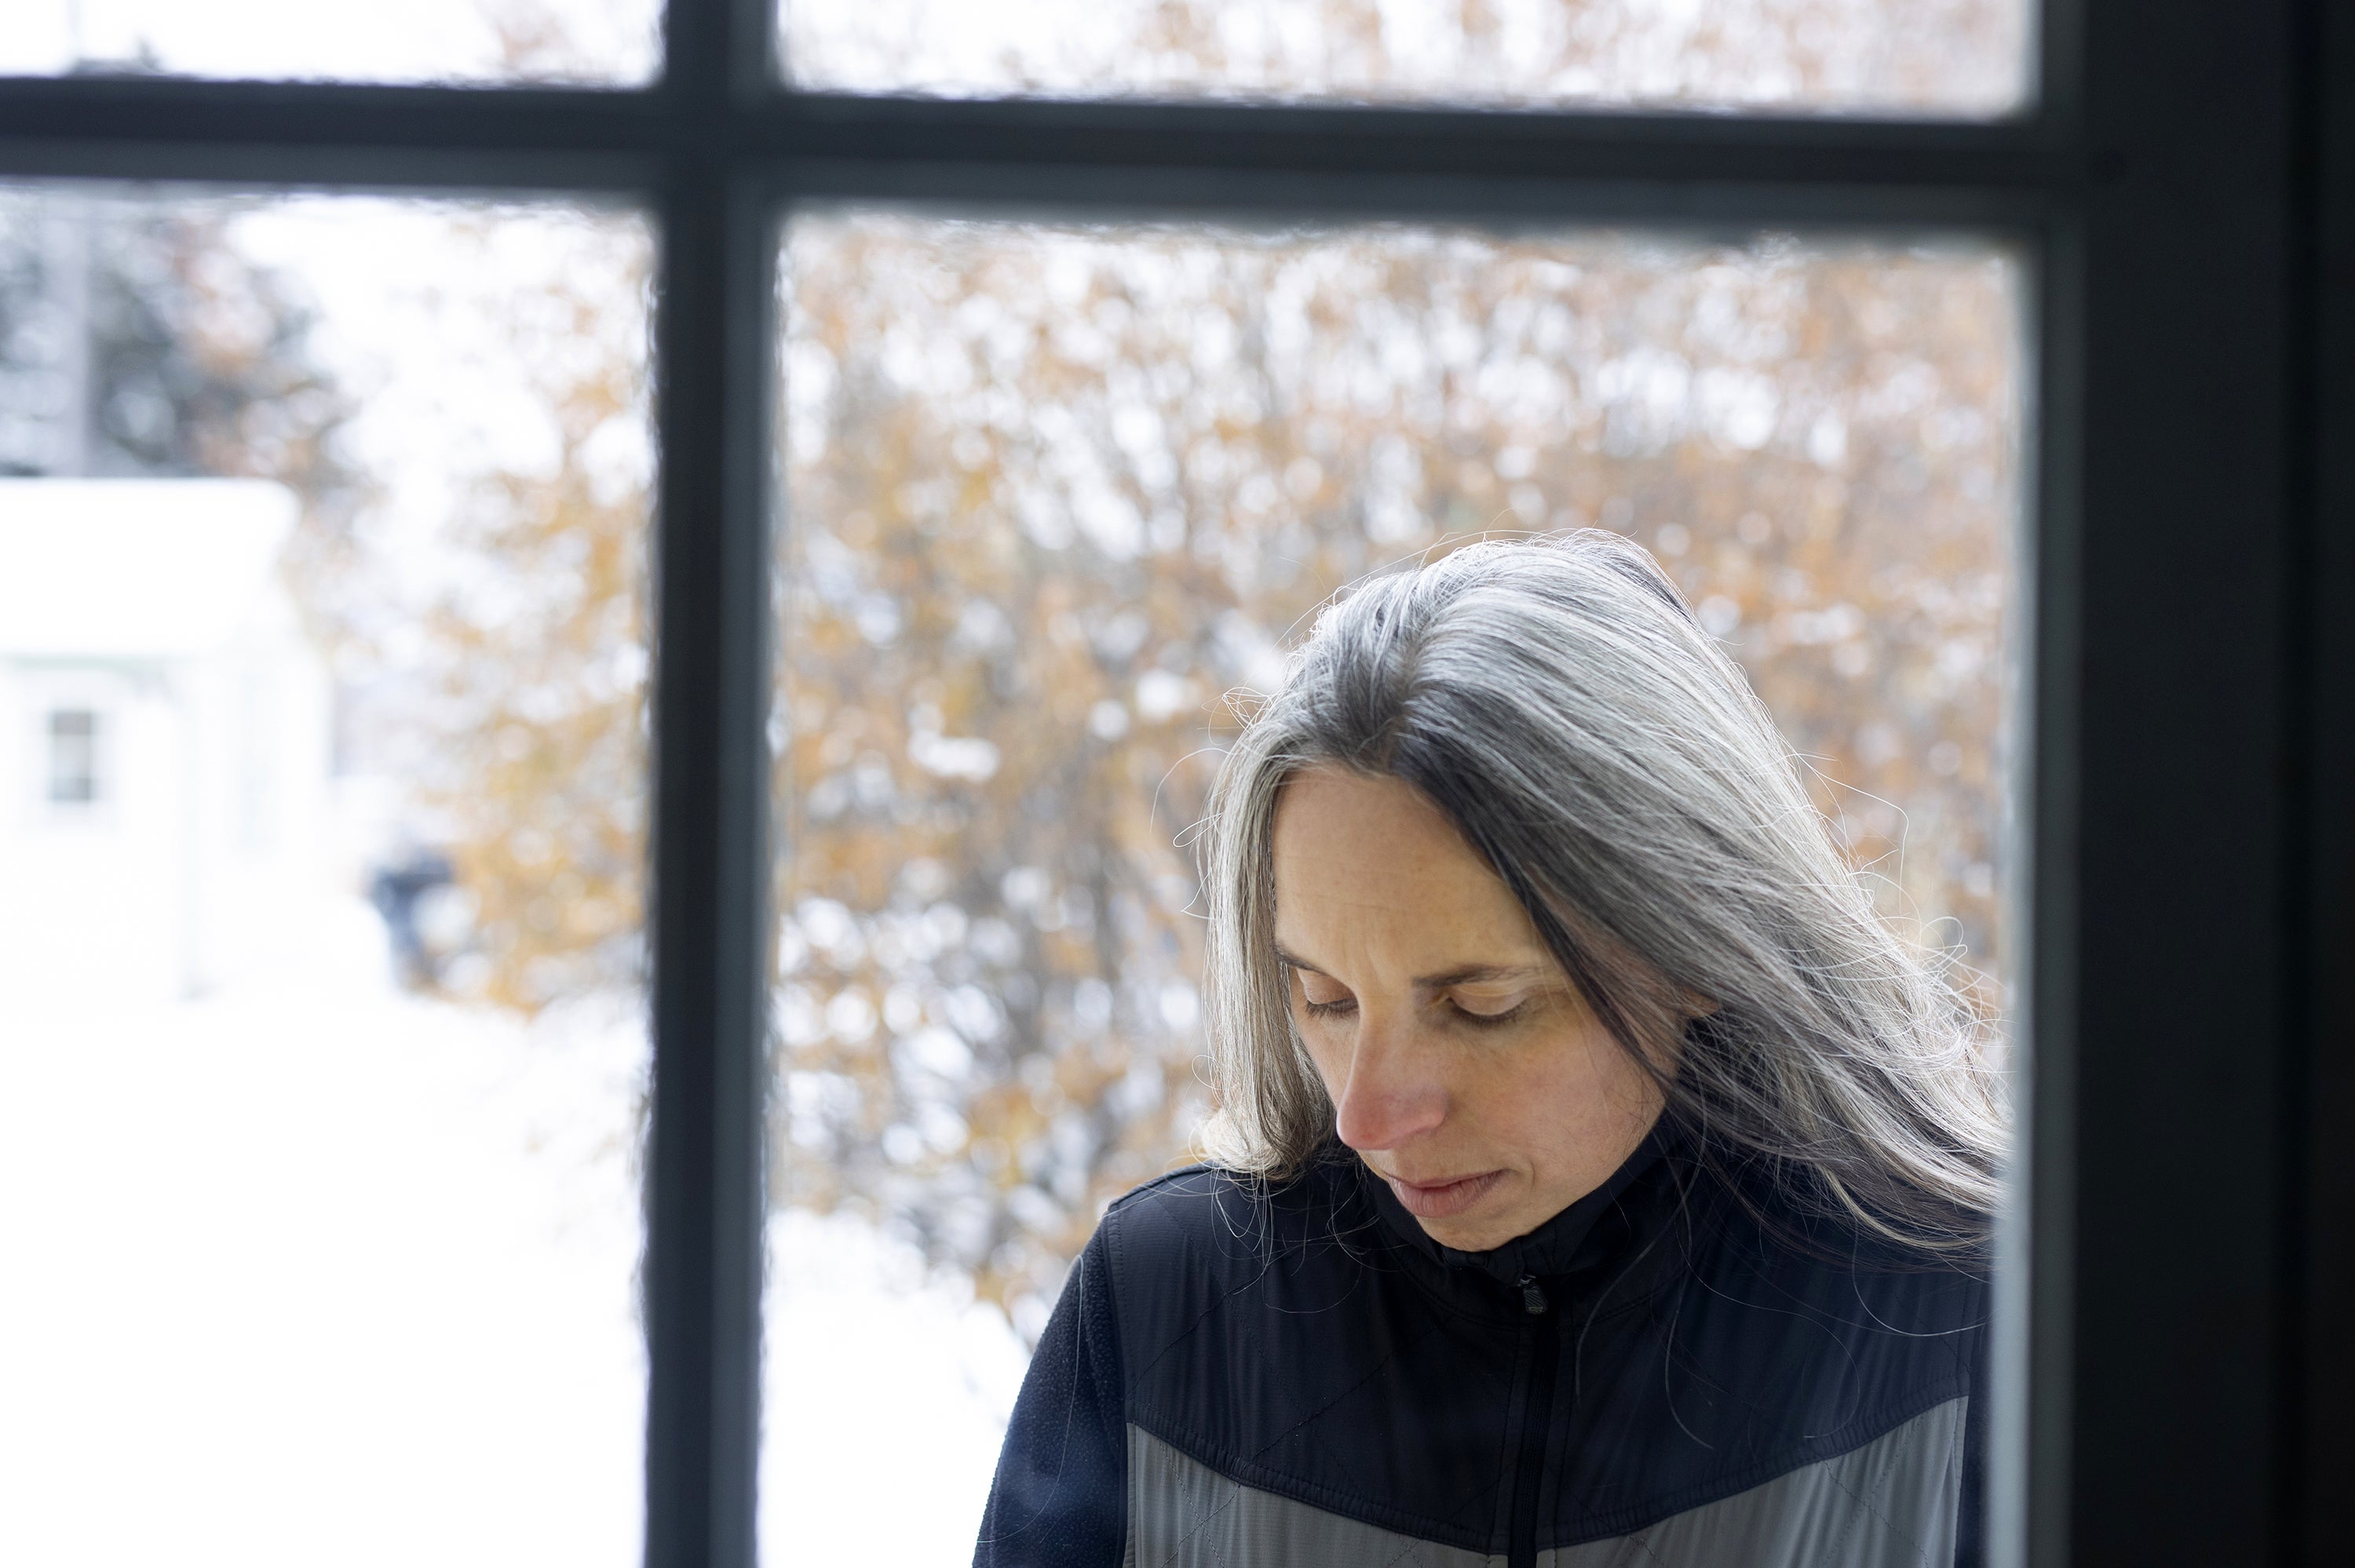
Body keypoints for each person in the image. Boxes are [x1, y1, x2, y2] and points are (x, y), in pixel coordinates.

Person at [973, 532, 2005, 1568]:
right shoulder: (1164, 1309)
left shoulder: (1986, 1317)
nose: (1366, 1117)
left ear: (1699, 947)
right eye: (1324, 996)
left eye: (1479, 1002)